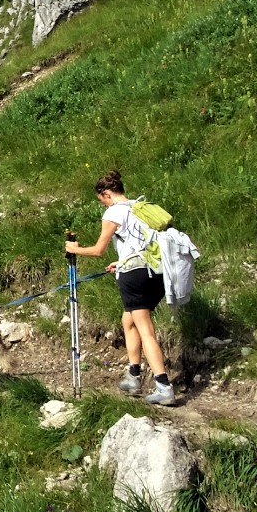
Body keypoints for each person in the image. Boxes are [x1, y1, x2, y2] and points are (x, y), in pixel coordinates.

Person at [64, 170, 175, 406]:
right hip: (157, 272)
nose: (102, 205)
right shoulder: (139, 207)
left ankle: (164, 386)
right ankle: (134, 374)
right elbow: (140, 243)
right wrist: (121, 261)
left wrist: (74, 250)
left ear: (106, 194)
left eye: (101, 200)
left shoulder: (113, 213)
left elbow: (98, 250)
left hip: (134, 275)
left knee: (145, 329)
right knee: (129, 321)